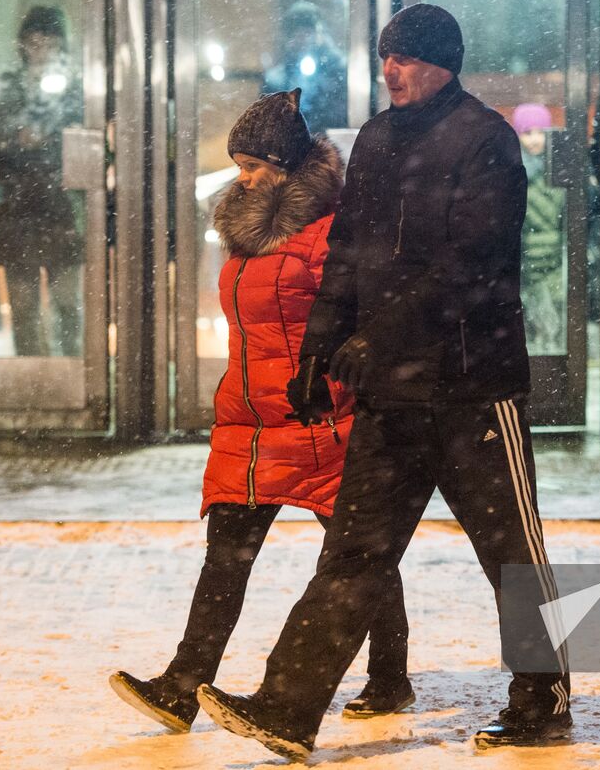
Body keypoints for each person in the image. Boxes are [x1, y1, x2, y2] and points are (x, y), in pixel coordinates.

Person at [195, 3, 571, 760]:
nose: (389, 70)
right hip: (392, 395)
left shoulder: (485, 139)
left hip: (470, 388)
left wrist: (380, 336)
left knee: (510, 552)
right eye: (384, 56)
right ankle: (288, 705)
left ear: (443, 61)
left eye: (404, 57)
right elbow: (348, 253)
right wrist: (319, 349)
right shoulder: (374, 138)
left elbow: (473, 266)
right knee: (356, 552)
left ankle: (543, 697)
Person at [110, 89, 412, 730]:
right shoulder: (243, 228)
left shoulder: (331, 230)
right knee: (227, 555)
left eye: (253, 165)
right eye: (239, 165)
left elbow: (357, 314)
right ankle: (183, 682)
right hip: (248, 416)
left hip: (319, 415)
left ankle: (389, 676)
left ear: (284, 163)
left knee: (354, 557)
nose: (242, 177)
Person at [0, 5, 85, 357]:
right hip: (15, 207)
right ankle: (34, 379)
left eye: (47, 43)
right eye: (33, 43)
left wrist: (47, 142)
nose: (39, 52)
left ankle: (71, 374)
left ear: (60, 46)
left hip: (59, 206)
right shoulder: (6, 88)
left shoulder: (75, 91)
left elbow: (89, 141)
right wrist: (13, 140)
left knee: (67, 301)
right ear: (22, 45)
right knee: (22, 306)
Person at [513, 103, 566, 355]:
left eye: (540, 131)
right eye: (527, 132)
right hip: (530, 260)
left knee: (551, 314)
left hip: (555, 258)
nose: (534, 139)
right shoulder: (516, 171)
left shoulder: (560, 170)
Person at [262, 1, 349, 135]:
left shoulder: (338, 70)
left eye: (308, 32)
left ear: (320, 33)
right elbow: (267, 122)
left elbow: (342, 115)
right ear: (287, 37)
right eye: (296, 33)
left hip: (328, 146)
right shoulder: (275, 79)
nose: (302, 39)